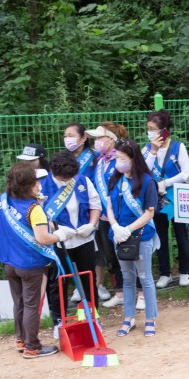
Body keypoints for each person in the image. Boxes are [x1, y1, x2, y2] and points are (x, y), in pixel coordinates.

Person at [0, 161, 69, 358]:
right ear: (29, 184)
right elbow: (42, 238)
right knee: (32, 305)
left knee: (19, 303)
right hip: (31, 264)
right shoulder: (34, 208)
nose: (39, 184)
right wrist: (61, 235)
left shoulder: (4, 200)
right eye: (36, 181)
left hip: (9, 261)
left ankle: (21, 339)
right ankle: (32, 347)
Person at [107, 140, 159, 338]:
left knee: (145, 278)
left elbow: (149, 213)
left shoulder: (147, 181)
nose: (118, 162)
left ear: (133, 159)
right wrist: (114, 226)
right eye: (117, 158)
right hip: (118, 236)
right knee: (127, 278)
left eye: (122, 158)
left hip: (140, 235)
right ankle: (128, 318)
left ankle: (150, 318)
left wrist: (128, 229)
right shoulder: (115, 180)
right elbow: (109, 207)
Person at [41, 151, 102, 306]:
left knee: (88, 278)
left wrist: (92, 225)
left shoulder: (82, 181)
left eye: (70, 178)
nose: (67, 181)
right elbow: (38, 216)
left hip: (83, 239)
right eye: (63, 178)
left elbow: (95, 205)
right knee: (59, 281)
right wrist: (56, 231)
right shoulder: (42, 186)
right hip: (58, 241)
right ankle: (59, 321)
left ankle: (91, 314)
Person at [142, 110, 189, 290]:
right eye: (148, 129)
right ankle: (165, 273)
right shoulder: (147, 149)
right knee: (160, 237)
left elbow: (186, 172)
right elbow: (143, 172)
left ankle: (185, 271)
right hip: (156, 200)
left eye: (153, 129)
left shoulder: (178, 147)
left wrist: (166, 182)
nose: (150, 133)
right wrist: (153, 152)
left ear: (164, 131)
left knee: (182, 235)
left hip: (176, 197)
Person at [17, 143, 64, 336]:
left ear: (41, 160)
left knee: (56, 278)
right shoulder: (22, 180)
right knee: (35, 291)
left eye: (32, 160)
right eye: (24, 161)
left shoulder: (50, 178)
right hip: (33, 238)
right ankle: (33, 335)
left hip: (53, 232)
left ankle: (57, 320)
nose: (28, 164)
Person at [87, 122, 135, 310]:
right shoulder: (100, 160)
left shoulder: (120, 159)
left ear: (112, 139)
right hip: (103, 216)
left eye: (100, 138)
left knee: (128, 253)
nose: (97, 142)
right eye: (96, 138)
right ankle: (120, 292)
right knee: (110, 256)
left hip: (121, 215)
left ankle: (137, 292)